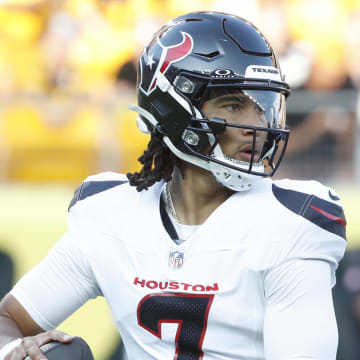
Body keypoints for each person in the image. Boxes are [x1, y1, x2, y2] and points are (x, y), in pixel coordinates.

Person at [0, 11, 347, 360]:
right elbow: (7, 318)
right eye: (234, 104)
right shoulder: (109, 213)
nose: (255, 124)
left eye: (262, 106)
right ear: (174, 109)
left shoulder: (291, 222)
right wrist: (14, 350)